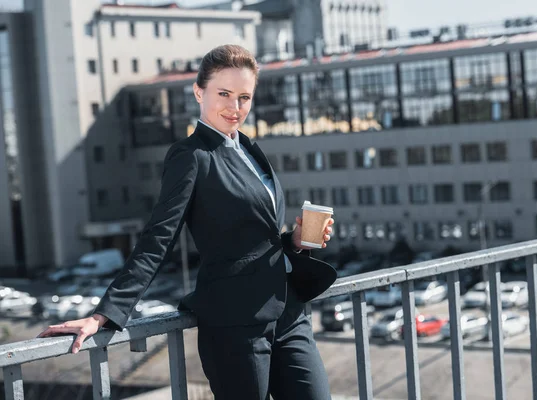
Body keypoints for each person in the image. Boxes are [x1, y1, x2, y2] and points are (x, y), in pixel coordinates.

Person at [38, 44, 337, 400]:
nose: (235, 107)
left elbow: (254, 238)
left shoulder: (251, 151)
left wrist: (296, 240)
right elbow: (157, 240)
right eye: (223, 94)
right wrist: (106, 313)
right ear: (198, 91)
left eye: (244, 97)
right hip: (236, 326)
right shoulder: (190, 157)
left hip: (289, 315)